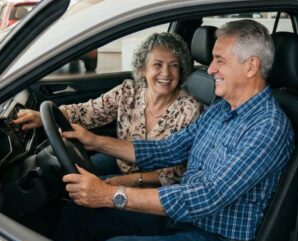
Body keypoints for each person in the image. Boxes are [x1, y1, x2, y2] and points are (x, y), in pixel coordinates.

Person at [53, 19, 293, 241]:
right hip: (182, 221)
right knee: (81, 214)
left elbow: (206, 197)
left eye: (219, 60)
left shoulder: (268, 127)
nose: (211, 69)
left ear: (251, 67)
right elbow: (167, 148)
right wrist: (95, 141)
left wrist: (111, 195)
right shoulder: (221, 110)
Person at [13, 32, 202, 187]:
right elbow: (88, 112)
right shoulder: (129, 91)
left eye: (174, 66)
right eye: (158, 65)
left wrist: (132, 180)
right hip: (122, 165)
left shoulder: (190, 108)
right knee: (65, 178)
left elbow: (179, 171)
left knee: (80, 193)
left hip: (159, 188)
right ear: (143, 68)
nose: (166, 73)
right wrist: (45, 117)